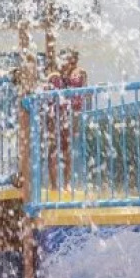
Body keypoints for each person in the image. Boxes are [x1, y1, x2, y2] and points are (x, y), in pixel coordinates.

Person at [44, 49, 88, 192]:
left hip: (70, 115)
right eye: (65, 61)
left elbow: (86, 93)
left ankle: (67, 183)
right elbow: (46, 97)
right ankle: (54, 185)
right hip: (54, 116)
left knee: (67, 149)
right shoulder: (54, 77)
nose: (67, 64)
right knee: (53, 150)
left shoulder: (79, 75)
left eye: (71, 61)